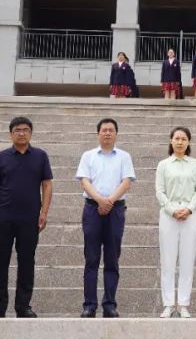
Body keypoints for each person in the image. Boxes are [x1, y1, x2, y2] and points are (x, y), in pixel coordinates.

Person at [0, 116, 53, 319]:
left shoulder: (40, 156)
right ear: (11, 133)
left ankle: (23, 306)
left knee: (27, 262)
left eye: (25, 130)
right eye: (17, 130)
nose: (21, 133)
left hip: (29, 219)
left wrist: (44, 212)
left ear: (31, 133)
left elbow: (47, 184)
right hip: (2, 218)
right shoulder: (1, 157)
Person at [76, 118, 135, 318]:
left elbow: (127, 182)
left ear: (116, 134)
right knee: (91, 259)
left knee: (112, 259)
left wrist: (109, 201)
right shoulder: (88, 156)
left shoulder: (124, 156)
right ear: (98, 134)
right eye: (104, 130)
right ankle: (89, 305)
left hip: (116, 210)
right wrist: (100, 200)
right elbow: (84, 181)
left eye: (111, 130)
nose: (107, 133)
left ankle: (109, 304)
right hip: (92, 209)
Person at [155, 127, 196, 318]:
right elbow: (159, 191)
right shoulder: (164, 165)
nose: (180, 142)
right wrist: (172, 210)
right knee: (167, 260)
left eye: (184, 139)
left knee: (187, 259)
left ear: (189, 142)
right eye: (176, 138)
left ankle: (183, 303)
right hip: (169, 215)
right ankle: (168, 304)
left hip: (190, 215)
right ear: (170, 141)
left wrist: (189, 208)